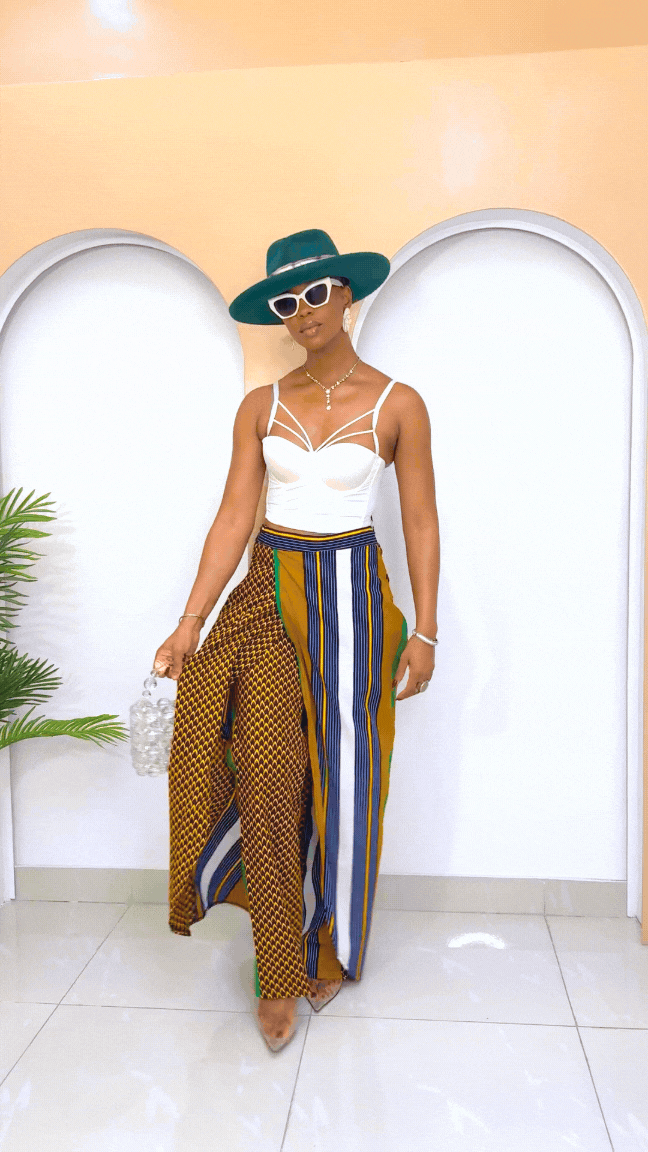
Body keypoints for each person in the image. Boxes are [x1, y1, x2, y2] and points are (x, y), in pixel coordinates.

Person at [153, 229, 440, 1052]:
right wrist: (190, 619)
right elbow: (233, 518)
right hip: (268, 597)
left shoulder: (399, 404)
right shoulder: (261, 406)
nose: (304, 311)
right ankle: (278, 966)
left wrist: (425, 629)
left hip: (354, 598)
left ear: (346, 294)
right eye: (288, 302)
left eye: (316, 293)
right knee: (270, 777)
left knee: (350, 782)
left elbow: (420, 521)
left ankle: (335, 944)